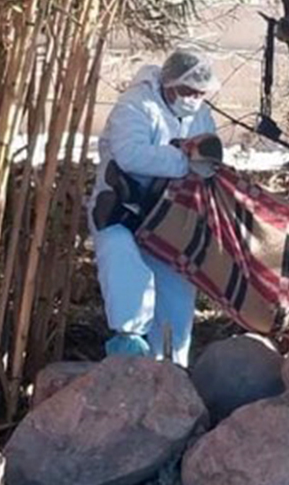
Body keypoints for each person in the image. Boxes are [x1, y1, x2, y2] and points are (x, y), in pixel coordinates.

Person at [88, 49, 219, 366]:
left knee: (176, 289)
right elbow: (129, 154)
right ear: (169, 84)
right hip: (121, 210)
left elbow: (209, 152)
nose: (192, 98)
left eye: (199, 93)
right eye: (187, 91)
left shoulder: (200, 115)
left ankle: (172, 363)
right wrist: (183, 161)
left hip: (168, 217)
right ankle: (128, 348)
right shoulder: (136, 106)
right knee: (125, 272)